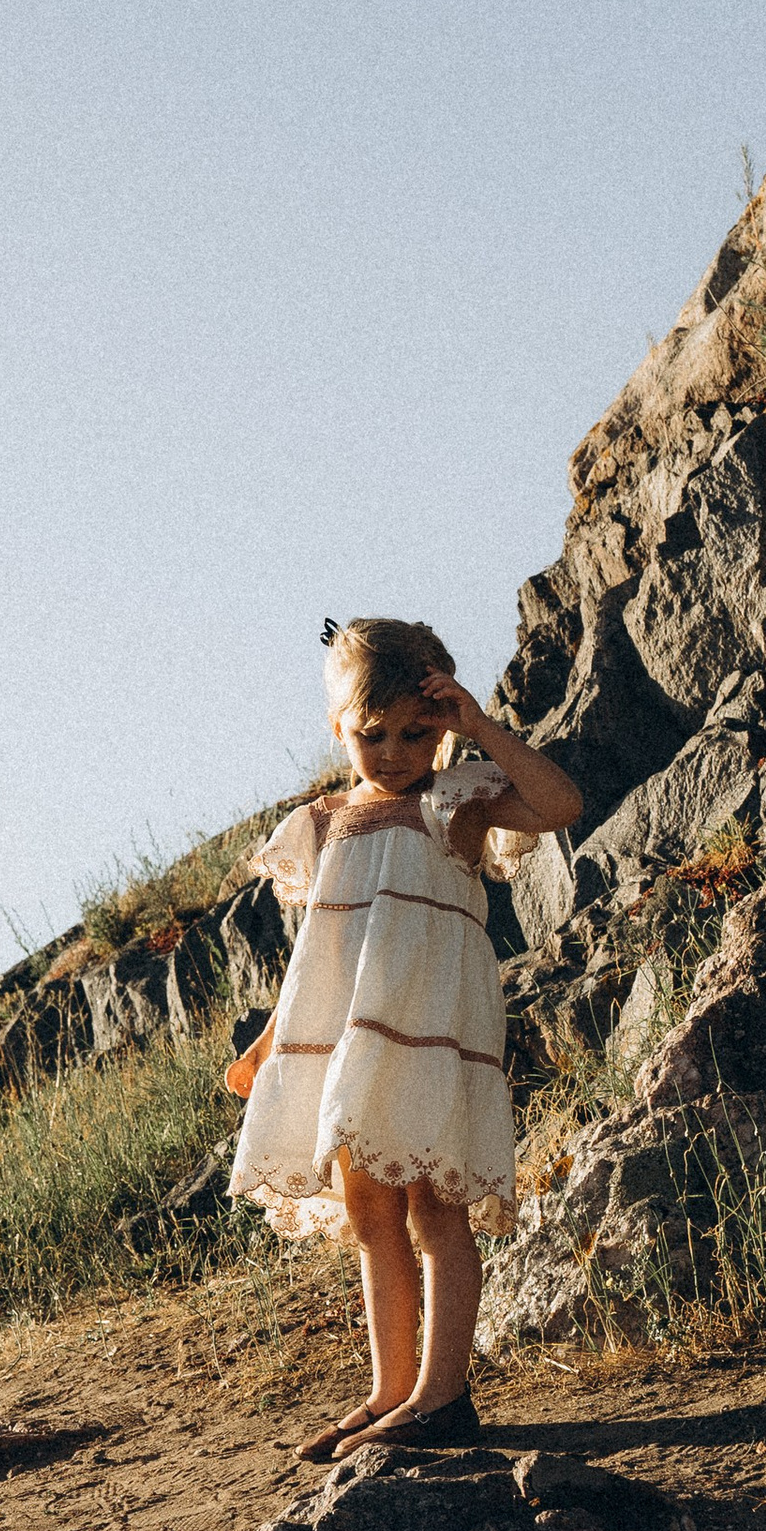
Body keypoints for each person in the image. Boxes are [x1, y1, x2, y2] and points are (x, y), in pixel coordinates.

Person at [225, 616, 584, 1461]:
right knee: (369, 1210)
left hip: (429, 1032)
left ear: (443, 722)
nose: (393, 752)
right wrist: (271, 1043)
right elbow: (316, 953)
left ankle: (442, 1396)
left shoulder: (453, 798)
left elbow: (561, 804)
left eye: (416, 732)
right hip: (348, 1036)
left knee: (434, 1206)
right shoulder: (319, 824)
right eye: (372, 734)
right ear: (338, 730)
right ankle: (390, 1389)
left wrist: (477, 727)